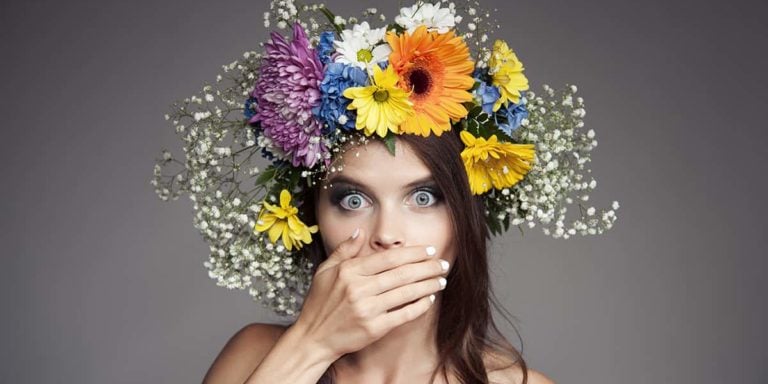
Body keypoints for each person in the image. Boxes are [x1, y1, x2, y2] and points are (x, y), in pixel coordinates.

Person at [201, 130, 555, 384]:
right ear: (314, 218)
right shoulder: (254, 355)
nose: (386, 234)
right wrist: (312, 345)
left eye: (423, 198)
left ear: (464, 220)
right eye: (353, 200)